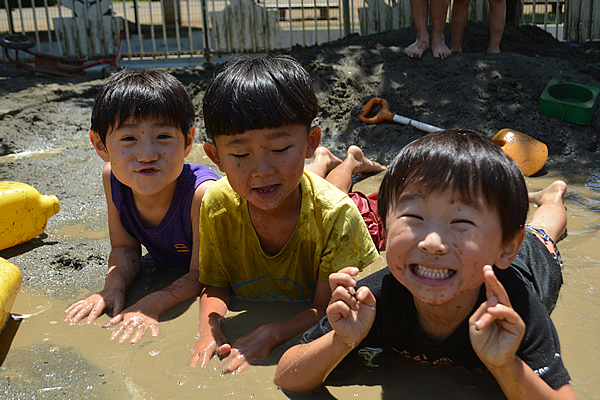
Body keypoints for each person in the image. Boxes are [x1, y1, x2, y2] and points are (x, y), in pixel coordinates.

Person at [274, 129, 577, 399]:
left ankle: (551, 197)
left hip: (531, 262)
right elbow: (286, 376)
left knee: (544, 231)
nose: (431, 243)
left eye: (461, 221)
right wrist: (341, 340)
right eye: (413, 217)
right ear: (384, 225)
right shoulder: (372, 299)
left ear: (507, 246)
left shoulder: (516, 308)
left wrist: (505, 364)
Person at [188, 54, 383, 374]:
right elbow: (216, 284)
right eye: (239, 154)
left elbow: (325, 306)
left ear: (309, 140)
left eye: (279, 149)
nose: (261, 170)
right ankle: (324, 161)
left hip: (349, 215)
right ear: (216, 157)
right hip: (297, 188)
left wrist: (273, 332)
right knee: (295, 184)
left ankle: (351, 162)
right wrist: (208, 332)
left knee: (336, 196)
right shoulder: (217, 203)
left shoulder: (338, 216)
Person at [64, 69, 219, 344]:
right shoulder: (112, 178)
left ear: (188, 140)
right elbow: (124, 248)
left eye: (163, 137)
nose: (147, 154)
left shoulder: (202, 195)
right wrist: (112, 288)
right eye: (128, 139)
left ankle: (320, 162)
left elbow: (201, 275)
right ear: (101, 145)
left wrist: (152, 303)